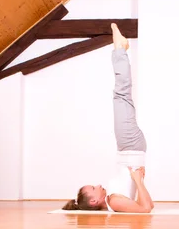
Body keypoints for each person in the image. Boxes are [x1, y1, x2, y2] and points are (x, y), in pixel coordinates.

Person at [62, 23, 154, 213]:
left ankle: (121, 49)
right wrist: (138, 179)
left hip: (129, 148)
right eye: (94, 188)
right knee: (121, 95)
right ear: (95, 201)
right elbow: (146, 209)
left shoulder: (114, 200)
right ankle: (120, 49)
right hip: (130, 147)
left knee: (122, 96)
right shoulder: (114, 202)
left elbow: (140, 205)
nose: (98, 185)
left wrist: (139, 180)